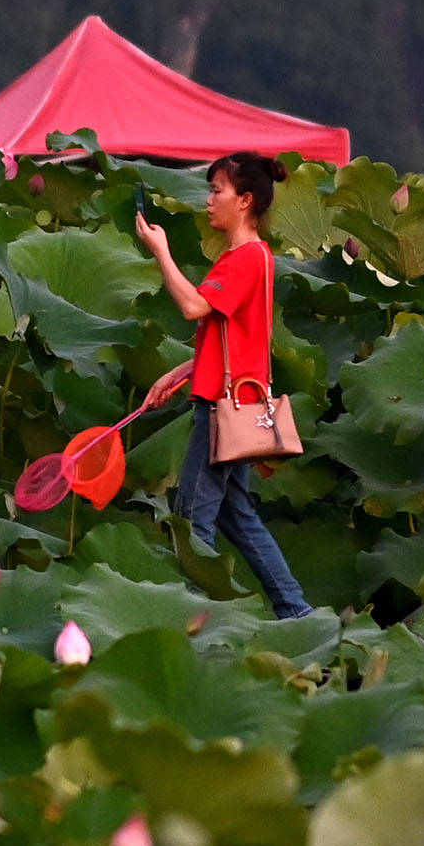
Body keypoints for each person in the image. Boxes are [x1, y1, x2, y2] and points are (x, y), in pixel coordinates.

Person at [137, 150, 313, 620]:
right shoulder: (253, 256)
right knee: (240, 518)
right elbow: (230, 338)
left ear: (245, 200)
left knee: (193, 518)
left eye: (217, 191)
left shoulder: (244, 259)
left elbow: (195, 308)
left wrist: (162, 253)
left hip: (221, 411)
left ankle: (197, 620)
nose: (209, 200)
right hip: (232, 402)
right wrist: (179, 373)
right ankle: (296, 611)